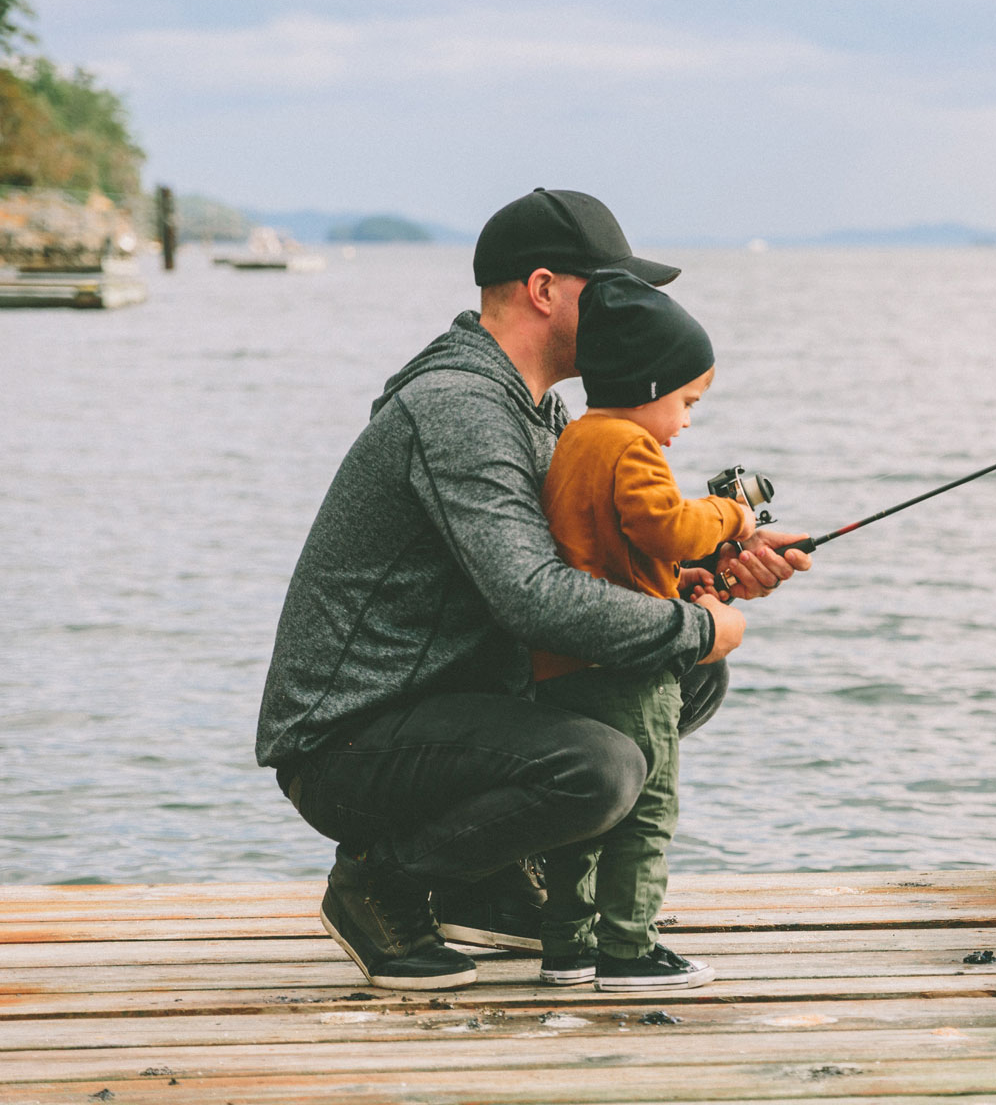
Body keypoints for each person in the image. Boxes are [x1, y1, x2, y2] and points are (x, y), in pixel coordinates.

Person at [254, 188, 810, 990]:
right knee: (604, 765)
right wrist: (694, 627)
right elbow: (533, 599)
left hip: (446, 704)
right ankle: (383, 886)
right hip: (348, 741)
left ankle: (490, 884)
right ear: (544, 289)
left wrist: (700, 572)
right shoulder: (461, 408)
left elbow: (573, 570)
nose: (630, 309)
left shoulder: (538, 410)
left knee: (684, 675)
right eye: (611, 288)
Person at [530, 269, 746, 991]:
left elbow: (607, 547)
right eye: (686, 403)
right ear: (651, 388)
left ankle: (566, 946)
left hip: (565, 666)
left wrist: (674, 584)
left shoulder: (578, 438)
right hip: (628, 671)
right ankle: (629, 950)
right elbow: (669, 525)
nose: (686, 421)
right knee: (647, 810)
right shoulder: (632, 446)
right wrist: (730, 516)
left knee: (586, 823)